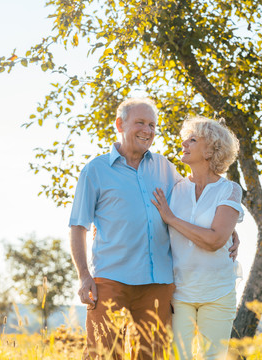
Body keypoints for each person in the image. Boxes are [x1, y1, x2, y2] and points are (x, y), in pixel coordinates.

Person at [68, 98, 238, 359]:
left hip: (158, 284)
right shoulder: (95, 170)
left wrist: (229, 230)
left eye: (152, 125)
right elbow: (78, 226)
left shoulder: (165, 168)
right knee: (103, 354)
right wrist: (83, 276)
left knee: (153, 356)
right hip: (111, 280)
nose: (147, 130)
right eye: (140, 123)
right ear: (119, 124)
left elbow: (200, 201)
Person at [151, 116, 243, 360]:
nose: (184, 143)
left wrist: (172, 219)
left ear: (211, 149)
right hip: (180, 293)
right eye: (185, 139)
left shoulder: (229, 190)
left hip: (218, 292)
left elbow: (215, 241)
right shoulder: (175, 189)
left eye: (193, 140)